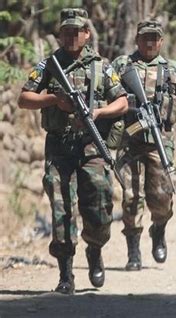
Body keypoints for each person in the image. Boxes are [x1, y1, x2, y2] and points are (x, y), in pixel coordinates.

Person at [17, 8, 128, 294]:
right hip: (60, 146)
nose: (71, 36)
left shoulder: (101, 66)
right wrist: (55, 99)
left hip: (92, 146)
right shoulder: (48, 65)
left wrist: (99, 112)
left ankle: (95, 249)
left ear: (87, 34)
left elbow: (123, 102)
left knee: (100, 205)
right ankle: (66, 273)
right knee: (61, 208)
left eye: (77, 31)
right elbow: (24, 99)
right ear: (60, 33)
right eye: (66, 31)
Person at [112, 20, 176, 271]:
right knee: (131, 196)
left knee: (163, 195)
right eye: (145, 38)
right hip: (130, 140)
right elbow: (107, 95)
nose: (150, 42)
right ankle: (133, 251)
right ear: (137, 40)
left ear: (161, 41)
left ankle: (158, 228)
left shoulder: (172, 68)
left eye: (155, 38)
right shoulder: (122, 65)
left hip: (161, 140)